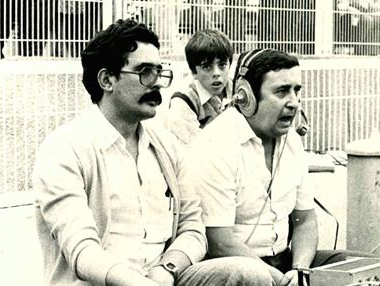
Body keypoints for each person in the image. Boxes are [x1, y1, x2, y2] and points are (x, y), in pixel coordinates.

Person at [33, 18, 275, 286]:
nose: (158, 83)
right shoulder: (64, 149)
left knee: (249, 274)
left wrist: (167, 269)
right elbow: (82, 250)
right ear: (106, 79)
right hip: (100, 282)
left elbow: (193, 227)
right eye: (145, 72)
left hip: (163, 277)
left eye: (159, 72)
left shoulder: (165, 146)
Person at [181, 49, 371, 286]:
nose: (294, 102)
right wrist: (281, 281)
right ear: (246, 96)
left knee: (369, 266)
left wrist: (300, 271)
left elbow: (306, 221)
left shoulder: (290, 140)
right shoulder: (216, 144)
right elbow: (219, 241)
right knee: (255, 277)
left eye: (296, 91)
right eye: (282, 91)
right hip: (233, 267)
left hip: (285, 264)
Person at [167, 29, 234, 145]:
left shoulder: (238, 89)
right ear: (194, 72)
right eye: (207, 67)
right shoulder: (183, 101)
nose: (216, 73)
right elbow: (196, 151)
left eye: (222, 65)